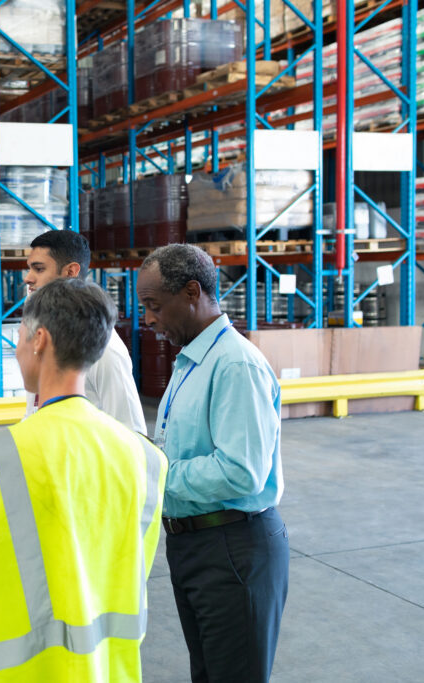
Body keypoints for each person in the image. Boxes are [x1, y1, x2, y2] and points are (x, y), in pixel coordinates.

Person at [0, 278, 168, 682]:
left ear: (40, 340)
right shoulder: (144, 456)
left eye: (18, 338)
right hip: (111, 671)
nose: (15, 351)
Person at [136, 244, 289, 683]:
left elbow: (240, 470)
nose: (149, 319)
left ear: (191, 292)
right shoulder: (192, 360)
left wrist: (152, 474)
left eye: (154, 306)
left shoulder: (234, 364)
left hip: (232, 547)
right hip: (195, 544)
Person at [22, 229, 147, 434]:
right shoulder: (43, 335)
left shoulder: (106, 350)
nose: (28, 278)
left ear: (71, 272)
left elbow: (133, 435)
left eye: (39, 269)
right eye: (29, 269)